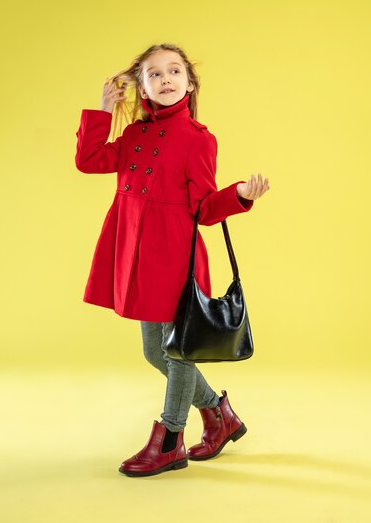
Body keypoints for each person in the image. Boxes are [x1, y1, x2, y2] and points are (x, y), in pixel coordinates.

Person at [75, 43, 270, 478]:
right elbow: (88, 161)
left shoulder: (197, 139)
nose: (166, 79)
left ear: (189, 82)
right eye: (155, 74)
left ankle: (169, 440)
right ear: (141, 86)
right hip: (134, 253)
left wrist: (237, 196)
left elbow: (203, 208)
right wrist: (104, 111)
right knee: (154, 351)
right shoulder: (133, 136)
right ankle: (220, 414)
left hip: (174, 254)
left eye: (174, 71)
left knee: (178, 352)